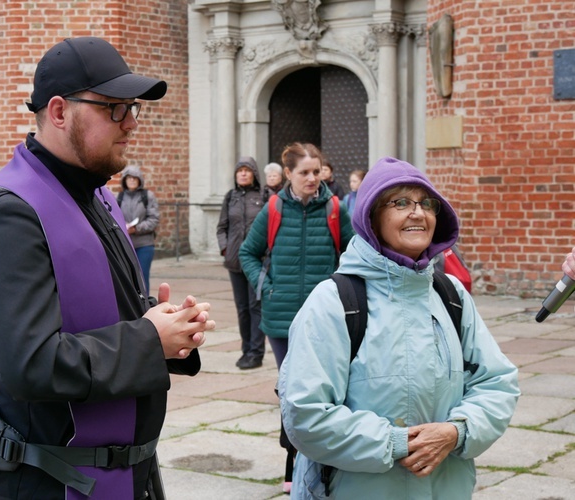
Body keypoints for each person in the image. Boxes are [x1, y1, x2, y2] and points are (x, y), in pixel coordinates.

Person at [0, 36, 215, 499]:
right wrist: (147, 339)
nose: (132, 123)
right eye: (115, 108)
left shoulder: (97, 194)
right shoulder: (10, 213)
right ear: (59, 112)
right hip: (47, 483)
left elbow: (102, 320)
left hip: (122, 475)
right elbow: (29, 364)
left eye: (135, 108)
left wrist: (169, 331)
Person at [278, 157, 519, 499]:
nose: (418, 213)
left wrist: (456, 432)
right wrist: (394, 443)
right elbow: (305, 414)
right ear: (372, 218)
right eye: (401, 203)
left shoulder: (451, 295)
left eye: (427, 203)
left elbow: (497, 382)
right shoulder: (334, 301)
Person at [239, 142, 354, 493]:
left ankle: (327, 462)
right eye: (304, 172)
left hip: (326, 320)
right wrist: (266, 285)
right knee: (292, 393)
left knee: (328, 392)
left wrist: (341, 290)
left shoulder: (334, 208)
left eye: (316, 172)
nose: (312, 178)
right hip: (282, 317)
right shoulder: (274, 207)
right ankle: (293, 463)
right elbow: (248, 252)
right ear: (288, 174)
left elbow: (354, 253)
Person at [217, 157, 266, 370]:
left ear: (254, 174)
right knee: (242, 308)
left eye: (247, 170)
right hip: (235, 260)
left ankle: (256, 352)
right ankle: (246, 349)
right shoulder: (231, 197)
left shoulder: (264, 196)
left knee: (256, 306)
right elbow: (222, 227)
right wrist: (225, 249)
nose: (243, 174)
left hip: (257, 260)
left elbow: (269, 228)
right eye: (240, 171)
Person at [118, 165, 160, 293]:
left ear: (139, 180)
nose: (131, 180)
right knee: (126, 278)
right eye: (129, 178)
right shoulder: (118, 197)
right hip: (126, 244)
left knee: (142, 277)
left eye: (134, 178)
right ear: (124, 180)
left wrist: (137, 228)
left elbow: (153, 219)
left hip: (144, 244)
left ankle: (145, 306)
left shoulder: (147, 196)